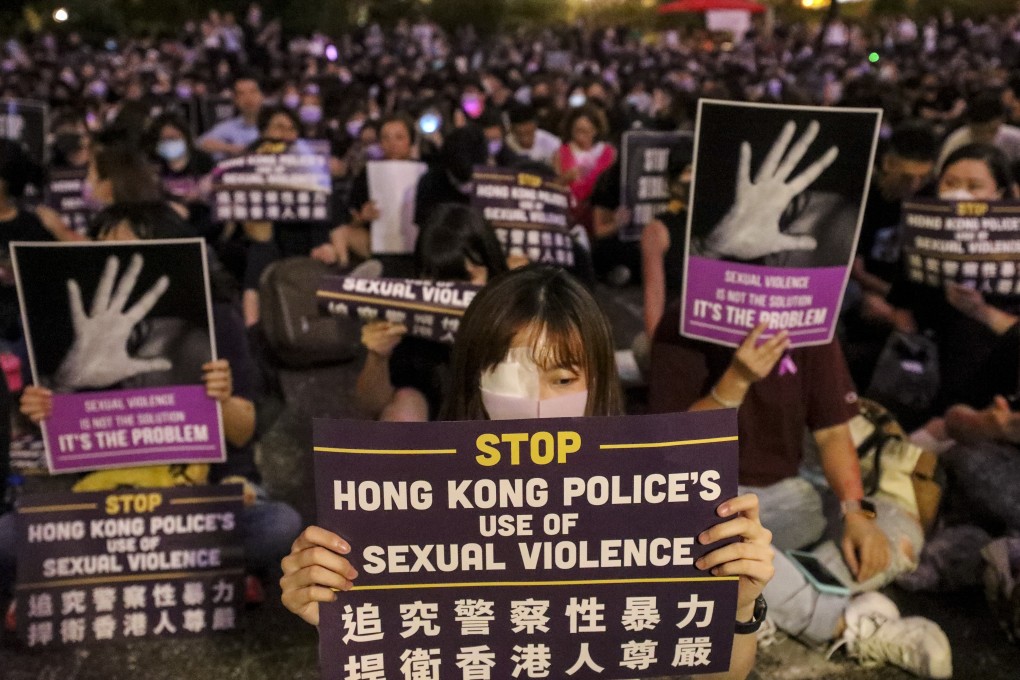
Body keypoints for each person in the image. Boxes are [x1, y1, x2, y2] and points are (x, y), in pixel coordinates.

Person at [282, 265, 775, 680]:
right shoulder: (412, 505)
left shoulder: (654, 499)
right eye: (509, 375)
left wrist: (738, 605)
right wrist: (337, 616)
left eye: (562, 378)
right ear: (474, 376)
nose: (536, 402)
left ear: (598, 378)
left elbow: (715, 671)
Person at [647, 310, 952, 677]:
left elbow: (833, 433)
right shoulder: (683, 320)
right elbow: (672, 450)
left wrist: (856, 513)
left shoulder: (809, 322)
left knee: (899, 531)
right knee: (699, 539)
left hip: (789, 496)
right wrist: (736, 380)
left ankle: (768, 599)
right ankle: (845, 621)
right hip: (701, 501)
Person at [17, 203, 301, 595]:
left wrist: (217, 400)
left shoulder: (216, 321)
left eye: (125, 253)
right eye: (97, 251)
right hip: (112, 504)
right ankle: (202, 568)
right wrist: (63, 385)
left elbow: (242, 435)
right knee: (7, 537)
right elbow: (54, 443)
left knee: (279, 526)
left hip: (201, 501)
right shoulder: (77, 330)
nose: (108, 264)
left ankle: (114, 570)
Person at [885, 143, 1020, 423]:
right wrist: (914, 364)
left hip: (990, 383)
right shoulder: (921, 235)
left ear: (1001, 194)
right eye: (950, 183)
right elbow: (902, 306)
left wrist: (980, 311)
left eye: (974, 186)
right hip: (926, 365)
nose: (959, 194)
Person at [355, 204, 508, 422]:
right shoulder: (408, 318)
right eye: (439, 281)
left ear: (492, 272)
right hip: (432, 432)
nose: (453, 291)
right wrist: (377, 357)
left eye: (467, 279)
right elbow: (371, 406)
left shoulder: (515, 313)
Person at [329, 114, 418, 268]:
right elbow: (351, 218)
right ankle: (343, 282)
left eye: (399, 137)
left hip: (418, 245)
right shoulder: (367, 173)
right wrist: (363, 216)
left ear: (410, 142)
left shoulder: (426, 174)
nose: (392, 144)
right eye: (386, 138)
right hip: (376, 243)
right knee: (339, 232)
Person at [552, 105, 616, 234]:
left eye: (587, 131)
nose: (582, 136)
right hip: (570, 216)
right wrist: (566, 178)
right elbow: (552, 186)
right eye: (578, 131)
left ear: (596, 131)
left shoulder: (609, 153)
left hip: (599, 215)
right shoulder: (561, 153)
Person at [937, 90, 1020, 170]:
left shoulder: (1015, 138)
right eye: (978, 132)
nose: (985, 137)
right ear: (969, 125)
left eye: (991, 130)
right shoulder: (956, 142)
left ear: (1001, 121)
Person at [198, 75, 264, 160]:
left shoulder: (275, 123)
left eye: (253, 92)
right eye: (241, 94)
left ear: (262, 96)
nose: (248, 98)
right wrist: (231, 148)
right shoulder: (228, 127)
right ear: (235, 100)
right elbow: (201, 144)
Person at [505, 103, 560, 167]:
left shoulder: (552, 143)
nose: (523, 131)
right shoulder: (507, 144)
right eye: (519, 133)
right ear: (512, 130)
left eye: (528, 132)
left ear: (535, 126)